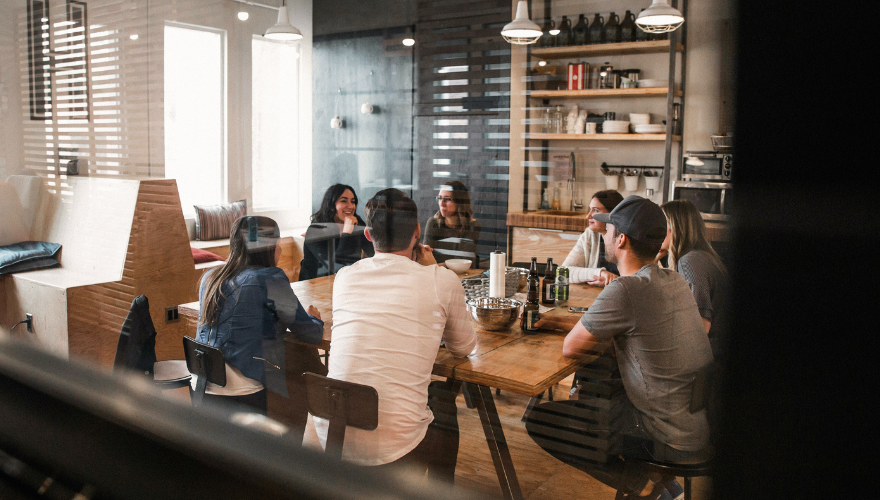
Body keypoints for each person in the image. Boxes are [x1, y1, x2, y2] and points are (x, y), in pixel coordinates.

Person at [525, 196, 714, 500]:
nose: (606, 234)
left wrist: (565, 329)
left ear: (621, 239)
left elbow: (571, 348)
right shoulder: (673, 279)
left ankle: (645, 485)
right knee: (601, 385)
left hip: (662, 435)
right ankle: (657, 482)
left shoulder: (626, 289)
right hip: (694, 425)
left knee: (542, 421)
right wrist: (560, 323)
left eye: (610, 229)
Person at [315, 188, 476, 481]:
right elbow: (464, 347)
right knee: (444, 407)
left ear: (367, 234)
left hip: (331, 434)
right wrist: (433, 269)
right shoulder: (442, 280)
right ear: (417, 232)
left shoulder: (345, 277)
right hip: (395, 447)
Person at [195, 216, 325, 415]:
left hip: (204, 387)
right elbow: (310, 334)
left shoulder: (209, 278)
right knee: (301, 368)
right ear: (270, 246)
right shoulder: (270, 279)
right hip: (243, 394)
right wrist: (315, 317)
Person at [659, 200, 730, 361]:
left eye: (660, 224)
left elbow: (700, 326)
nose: (654, 230)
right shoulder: (700, 256)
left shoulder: (690, 262)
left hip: (711, 358)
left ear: (675, 227)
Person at [300, 184, 374, 280]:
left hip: (346, 282)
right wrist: (347, 232)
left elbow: (374, 253)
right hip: (314, 286)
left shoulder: (357, 223)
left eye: (353, 202)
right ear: (331, 206)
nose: (351, 206)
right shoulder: (315, 230)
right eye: (343, 201)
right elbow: (337, 267)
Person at [562, 189, 625, 286]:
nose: (588, 216)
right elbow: (564, 271)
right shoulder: (590, 235)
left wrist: (613, 282)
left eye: (595, 210)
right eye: (589, 209)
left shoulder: (628, 238)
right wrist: (600, 273)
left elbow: (638, 280)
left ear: (612, 214)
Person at [423, 181, 481, 264]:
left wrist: (435, 267)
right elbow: (426, 256)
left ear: (459, 202)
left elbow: (462, 261)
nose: (442, 204)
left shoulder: (472, 225)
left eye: (447, 199)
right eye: (439, 198)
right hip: (437, 274)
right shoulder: (433, 223)